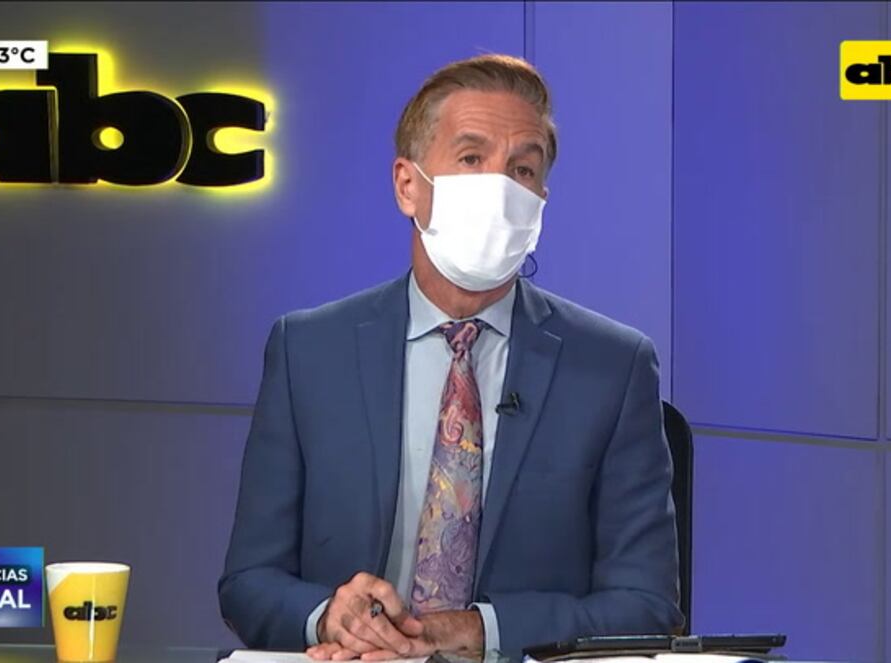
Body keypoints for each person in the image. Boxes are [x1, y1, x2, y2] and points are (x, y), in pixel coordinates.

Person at [219, 53, 683, 660]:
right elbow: (249, 584)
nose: (500, 188)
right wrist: (330, 617)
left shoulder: (613, 368)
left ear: (541, 200)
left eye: (522, 169)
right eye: (471, 159)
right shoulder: (308, 350)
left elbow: (646, 607)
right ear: (407, 186)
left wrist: (477, 631)